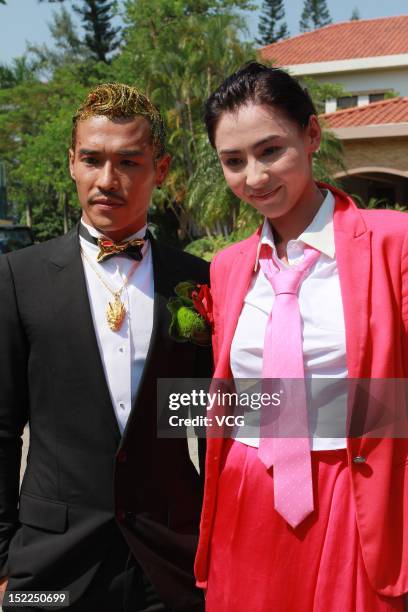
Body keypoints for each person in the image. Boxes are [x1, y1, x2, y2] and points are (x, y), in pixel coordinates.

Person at [194, 62, 408, 611]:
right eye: (233, 161)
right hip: (248, 487)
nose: (255, 177)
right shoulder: (226, 266)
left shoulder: (394, 243)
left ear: (311, 135)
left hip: (354, 493)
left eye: (270, 150)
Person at [0, 83, 211, 611]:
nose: (107, 180)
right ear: (72, 163)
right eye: (92, 160)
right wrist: (2, 562)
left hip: (171, 563)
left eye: (129, 162)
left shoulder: (201, 281)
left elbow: (219, 420)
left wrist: (374, 412)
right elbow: (2, 430)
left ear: (159, 169)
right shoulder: (17, 277)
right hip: (48, 569)